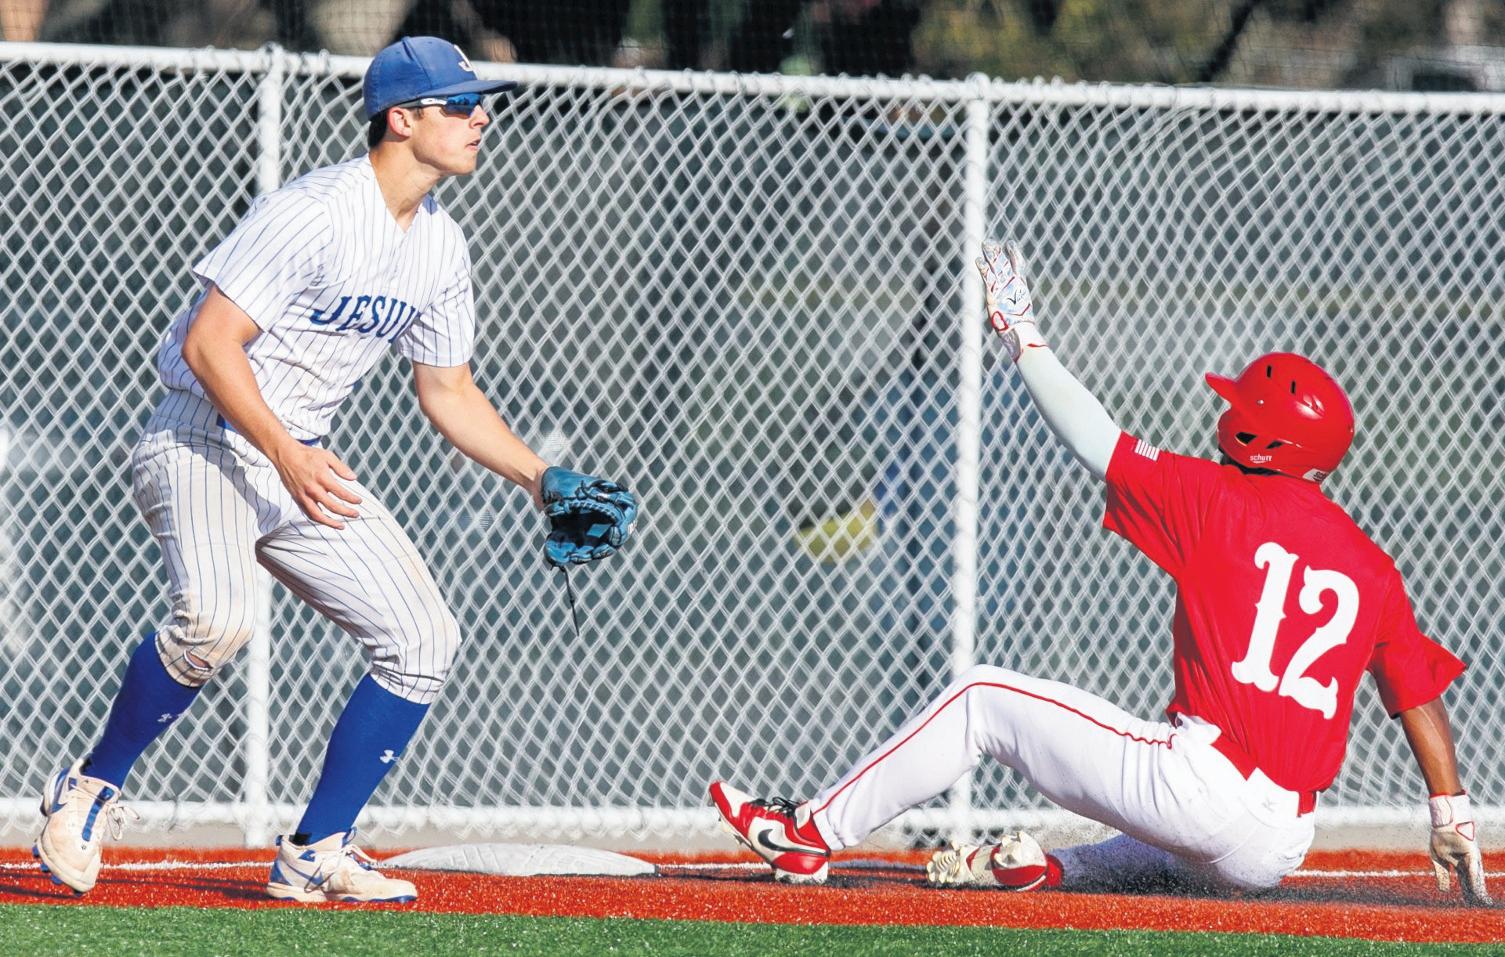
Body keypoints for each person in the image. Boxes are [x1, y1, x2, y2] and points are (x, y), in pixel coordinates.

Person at [33, 35, 636, 904]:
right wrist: (284, 450)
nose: (481, 119)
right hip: (203, 439)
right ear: (402, 119)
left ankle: (316, 847)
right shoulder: (314, 212)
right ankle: (89, 787)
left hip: (298, 456)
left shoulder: (439, 244)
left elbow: (449, 389)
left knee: (422, 640)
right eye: (461, 105)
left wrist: (542, 478)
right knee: (216, 619)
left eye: (480, 104)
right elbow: (209, 344)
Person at [711, 239, 1489, 903]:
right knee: (1178, 847)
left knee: (981, 698)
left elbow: (1097, 439)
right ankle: (1052, 868)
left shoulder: (1214, 498)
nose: (1225, 414)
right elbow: (1415, 690)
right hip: (1278, 841)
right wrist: (1449, 810)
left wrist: (1021, 333)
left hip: (1203, 784)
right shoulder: (1370, 564)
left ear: (1256, 434)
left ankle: (808, 831)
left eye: (1238, 408)